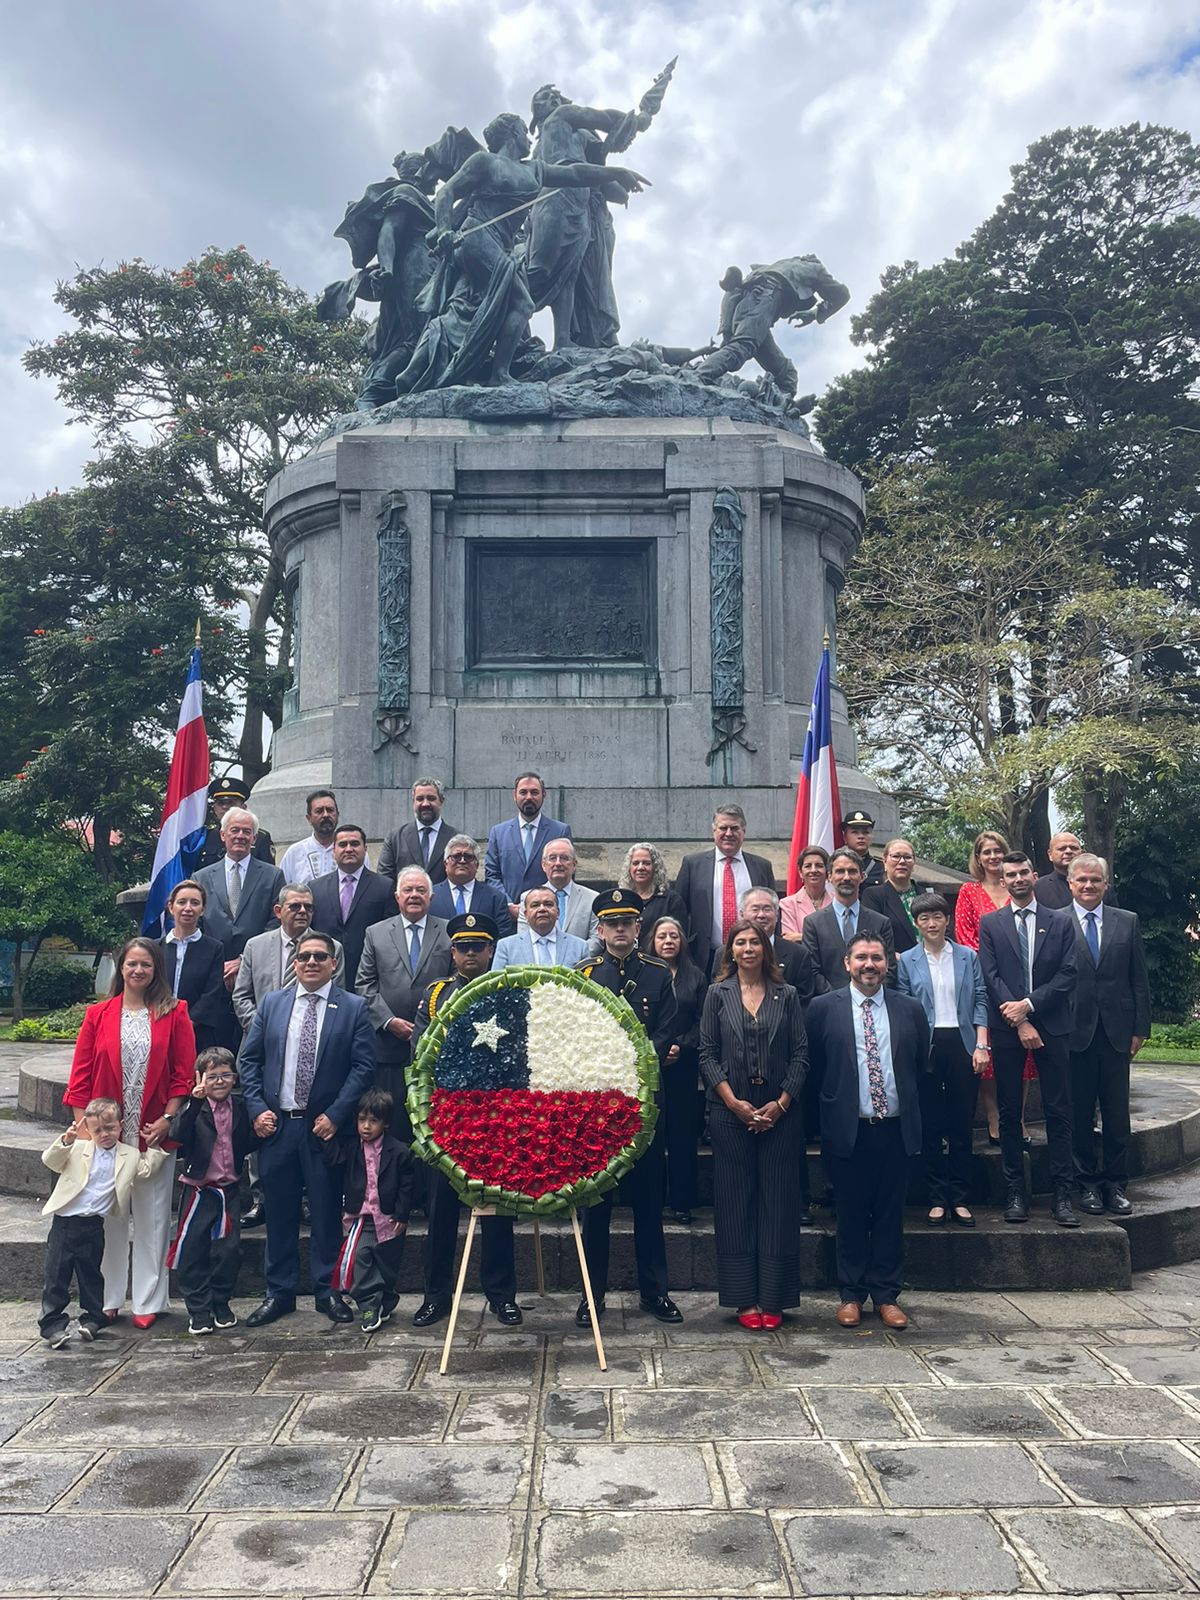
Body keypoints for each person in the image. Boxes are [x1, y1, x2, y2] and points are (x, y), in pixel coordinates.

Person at [394, 112, 647, 392]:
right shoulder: (485, 162)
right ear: (512, 133)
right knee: (522, 303)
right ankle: (499, 374)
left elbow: (575, 173)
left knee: (466, 311)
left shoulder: (535, 170)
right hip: (476, 237)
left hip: (498, 245)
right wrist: (443, 230)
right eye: (524, 132)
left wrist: (618, 173)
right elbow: (446, 194)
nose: (530, 139)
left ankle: (414, 371)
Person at [238, 930, 378, 1327]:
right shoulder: (273, 1004)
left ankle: (327, 1290)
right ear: (293, 963)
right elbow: (248, 1061)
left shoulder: (352, 1007)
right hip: (277, 1127)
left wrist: (336, 1113)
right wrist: (255, 1108)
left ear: (334, 963)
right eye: (304, 957)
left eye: (320, 957)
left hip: (324, 1131)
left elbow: (363, 1066)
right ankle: (278, 1293)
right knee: (279, 1213)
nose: (312, 963)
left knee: (325, 1212)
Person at [64, 938, 195, 1327]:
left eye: (146, 965)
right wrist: (87, 1131)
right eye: (131, 964)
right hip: (108, 1137)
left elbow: (182, 1075)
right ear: (121, 968)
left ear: (157, 970)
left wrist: (168, 1119)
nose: (138, 971)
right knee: (111, 1217)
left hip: (153, 1134)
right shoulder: (98, 1014)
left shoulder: (175, 1012)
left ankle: (149, 1300)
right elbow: (80, 1077)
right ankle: (108, 1296)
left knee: (153, 1217)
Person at [807, 933, 929, 1330]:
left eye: (876, 957)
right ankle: (851, 1294)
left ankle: (887, 1295)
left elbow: (919, 1065)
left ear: (887, 964)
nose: (869, 965)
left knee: (891, 1214)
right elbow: (815, 1066)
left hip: (895, 1128)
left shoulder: (910, 1009)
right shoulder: (823, 1008)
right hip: (848, 1128)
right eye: (861, 957)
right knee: (851, 1213)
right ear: (847, 963)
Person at [575, 890, 682, 1326]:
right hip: (597, 1109)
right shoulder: (583, 974)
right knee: (595, 1208)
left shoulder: (658, 974)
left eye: (628, 922)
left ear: (640, 928)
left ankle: (654, 1293)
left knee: (648, 1205)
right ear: (599, 929)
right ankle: (590, 1296)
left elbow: (667, 1028)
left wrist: (634, 1063)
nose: (620, 929)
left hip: (642, 1109)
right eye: (611, 922)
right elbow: (575, 1033)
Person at [410, 912, 521, 1328]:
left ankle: (502, 1293)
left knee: (497, 1209)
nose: (470, 954)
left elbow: (520, 1054)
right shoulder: (436, 995)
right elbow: (421, 1049)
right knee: (439, 1212)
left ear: (492, 950)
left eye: (478, 947)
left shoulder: (508, 994)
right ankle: (435, 1295)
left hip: (495, 1118)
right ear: (452, 952)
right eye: (463, 947)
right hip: (448, 1118)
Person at [699, 918, 808, 1330]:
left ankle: (774, 1297)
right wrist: (734, 1103)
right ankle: (744, 1299)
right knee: (735, 1204)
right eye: (740, 943)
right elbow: (707, 1054)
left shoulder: (787, 994)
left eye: (755, 942)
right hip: (729, 1115)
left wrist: (780, 1105)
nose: (748, 949)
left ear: (766, 949)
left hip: (781, 1116)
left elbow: (801, 1054)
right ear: (730, 951)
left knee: (778, 1204)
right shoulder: (716, 994)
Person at [978, 853, 1078, 1227]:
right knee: (1008, 1112)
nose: (1018, 879)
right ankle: (1015, 1192)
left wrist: (1030, 1006)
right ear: (1002, 881)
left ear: (1034, 876)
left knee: (1058, 1110)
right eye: (1010, 874)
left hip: (1053, 1024)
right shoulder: (991, 924)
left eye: (1023, 872)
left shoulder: (1061, 922)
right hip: (1006, 1028)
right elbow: (990, 975)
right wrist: (1018, 1018)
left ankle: (1062, 1195)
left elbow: (1069, 973)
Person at [38, 1098, 166, 1348]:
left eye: (110, 1128)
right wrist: (65, 1142)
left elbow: (145, 1170)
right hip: (65, 1222)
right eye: (97, 1130)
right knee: (56, 1277)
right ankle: (52, 1325)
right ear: (89, 1130)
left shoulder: (128, 1154)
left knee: (92, 1275)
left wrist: (154, 1148)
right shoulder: (78, 1148)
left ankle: (94, 1319)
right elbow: (50, 1161)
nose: (104, 1134)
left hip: (94, 1225)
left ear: (120, 1126)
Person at [897, 893, 989, 1227]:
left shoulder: (968, 956)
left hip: (963, 1043)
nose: (931, 924)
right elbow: (906, 1006)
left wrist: (982, 1045)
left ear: (947, 919)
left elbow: (981, 998)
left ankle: (960, 1198)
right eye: (924, 918)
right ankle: (937, 1198)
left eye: (937, 916)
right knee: (931, 1126)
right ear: (916, 923)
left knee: (962, 1125)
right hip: (927, 1046)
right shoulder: (907, 960)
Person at [1067, 853, 1151, 1217]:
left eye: (1095, 880)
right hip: (1074, 1034)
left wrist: (1140, 1029)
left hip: (1117, 1034)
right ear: (1071, 884)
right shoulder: (1055, 923)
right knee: (1079, 1114)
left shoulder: (1127, 922)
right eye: (1081, 880)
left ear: (1105, 884)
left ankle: (1116, 1185)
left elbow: (1139, 981)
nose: (1088, 886)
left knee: (1117, 1117)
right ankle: (1085, 1185)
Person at [740, 885, 830, 1225]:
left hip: (785, 1060)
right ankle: (751, 1204)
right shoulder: (729, 952)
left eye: (767, 909)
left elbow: (805, 1003)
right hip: (741, 1062)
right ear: (743, 915)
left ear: (777, 916)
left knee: (790, 1136)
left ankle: (798, 1201)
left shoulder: (796, 954)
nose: (761, 915)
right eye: (755, 910)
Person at [166, 1047, 258, 1336]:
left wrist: (263, 1130)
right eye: (212, 1076)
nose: (219, 1082)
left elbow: (248, 1141)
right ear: (201, 1079)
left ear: (234, 1078)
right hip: (199, 1191)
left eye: (225, 1075)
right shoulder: (195, 1108)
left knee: (229, 1250)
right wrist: (193, 1103)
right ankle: (198, 1308)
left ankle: (221, 1301)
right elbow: (177, 1135)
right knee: (193, 1250)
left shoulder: (240, 1107)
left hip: (228, 1189)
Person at [356, 867, 453, 1104]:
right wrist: (389, 1022)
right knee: (393, 1115)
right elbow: (364, 984)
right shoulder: (375, 933)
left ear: (431, 897)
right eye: (407, 890)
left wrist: (434, 1024)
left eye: (421, 890)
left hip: (435, 1042)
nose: (414, 895)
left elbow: (455, 982)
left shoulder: (449, 931)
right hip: (388, 1044)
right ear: (397, 897)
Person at [324, 1088, 416, 1332]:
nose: (366, 1127)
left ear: (385, 1123)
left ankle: (385, 1298)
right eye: (362, 1120)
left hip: (388, 1217)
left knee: (386, 1263)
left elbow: (407, 1187)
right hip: (361, 1216)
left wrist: (402, 1213)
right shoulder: (352, 1148)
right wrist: (326, 1137)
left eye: (373, 1121)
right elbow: (335, 1161)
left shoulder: (400, 1152)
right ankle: (368, 1305)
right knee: (361, 1258)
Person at [194, 808, 286, 1049]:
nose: (241, 836)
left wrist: (244, 960)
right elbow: (197, 924)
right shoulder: (201, 877)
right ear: (223, 835)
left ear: (254, 839)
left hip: (257, 973)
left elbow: (277, 921)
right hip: (214, 976)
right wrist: (218, 963)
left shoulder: (273, 876)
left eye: (247, 832)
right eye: (234, 830)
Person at [695, 255, 849, 394]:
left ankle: (775, 406)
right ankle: (697, 377)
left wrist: (727, 329)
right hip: (765, 297)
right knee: (742, 347)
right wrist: (815, 313)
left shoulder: (771, 267)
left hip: (748, 305)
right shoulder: (815, 268)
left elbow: (732, 293)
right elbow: (842, 295)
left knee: (786, 374)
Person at [650, 915, 707, 1225]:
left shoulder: (695, 976)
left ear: (682, 941)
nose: (668, 941)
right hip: (652, 1063)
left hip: (684, 1063)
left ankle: (682, 1202)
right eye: (662, 936)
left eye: (674, 935)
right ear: (653, 942)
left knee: (682, 1134)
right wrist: (660, 1048)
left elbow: (703, 1019)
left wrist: (681, 1046)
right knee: (654, 1131)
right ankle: (654, 1198)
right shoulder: (646, 974)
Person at [673, 804, 776, 976]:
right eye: (723, 828)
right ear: (714, 831)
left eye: (735, 828)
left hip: (753, 956)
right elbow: (679, 912)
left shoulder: (761, 866)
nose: (729, 833)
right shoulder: (693, 865)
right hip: (704, 958)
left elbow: (772, 911)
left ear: (744, 831)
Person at [233, 884, 347, 1033]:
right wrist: (261, 1027)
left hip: (311, 1037)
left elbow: (335, 997)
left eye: (308, 907)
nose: (302, 911)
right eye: (295, 906)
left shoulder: (331, 948)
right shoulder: (255, 946)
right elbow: (241, 996)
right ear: (278, 911)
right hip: (260, 1038)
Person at [310, 825, 396, 990]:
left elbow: (390, 935)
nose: (349, 849)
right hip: (325, 977)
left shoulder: (384, 887)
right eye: (343, 845)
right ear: (333, 850)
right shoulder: (316, 888)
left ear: (365, 848)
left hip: (369, 977)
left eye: (354, 844)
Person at [484, 772, 573, 924]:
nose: (529, 797)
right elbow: (492, 875)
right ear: (514, 795)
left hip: (547, 917)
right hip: (508, 918)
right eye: (523, 792)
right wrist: (509, 905)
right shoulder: (498, 833)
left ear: (544, 795)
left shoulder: (560, 831)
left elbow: (565, 873)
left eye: (534, 792)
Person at [801, 848, 896, 989]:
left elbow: (889, 970)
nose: (846, 877)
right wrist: (839, 1000)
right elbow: (812, 970)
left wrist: (867, 1000)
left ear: (862, 876)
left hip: (872, 1005)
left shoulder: (881, 922)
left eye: (852, 871)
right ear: (829, 877)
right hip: (830, 1005)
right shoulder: (813, 923)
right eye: (840, 871)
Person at [158, 878, 226, 1051]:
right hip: (157, 1028)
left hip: (197, 1034)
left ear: (202, 910)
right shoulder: (154, 948)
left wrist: (186, 1023)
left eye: (195, 903)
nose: (188, 908)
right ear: (171, 907)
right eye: (182, 902)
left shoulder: (214, 948)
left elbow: (212, 992)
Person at [429, 834, 515, 935]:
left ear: (477, 865)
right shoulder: (430, 897)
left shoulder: (495, 898)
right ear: (445, 863)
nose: (462, 861)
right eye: (456, 856)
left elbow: (503, 938)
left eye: (468, 857)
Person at [377, 777, 455, 887]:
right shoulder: (395, 838)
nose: (425, 804)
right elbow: (384, 881)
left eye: (431, 798)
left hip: (443, 903)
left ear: (441, 800)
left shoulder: (456, 838)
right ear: (413, 802)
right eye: (420, 799)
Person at [519, 839, 598, 944]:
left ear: (574, 865)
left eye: (564, 858)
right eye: (552, 858)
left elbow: (597, 939)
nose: (558, 863)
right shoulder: (527, 897)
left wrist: (574, 957)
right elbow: (523, 939)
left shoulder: (592, 898)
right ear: (544, 865)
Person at [278, 790, 363, 885]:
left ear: (338, 815)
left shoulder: (355, 851)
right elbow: (283, 892)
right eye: (319, 811)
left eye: (330, 810)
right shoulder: (294, 852)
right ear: (309, 818)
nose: (326, 815)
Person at [495, 887, 589, 969]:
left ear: (558, 913)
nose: (542, 909)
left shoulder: (580, 947)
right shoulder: (506, 947)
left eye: (548, 904)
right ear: (526, 915)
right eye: (535, 905)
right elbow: (496, 986)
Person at [619, 842, 690, 950]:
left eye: (646, 863)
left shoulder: (671, 901)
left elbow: (678, 939)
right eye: (635, 863)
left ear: (655, 868)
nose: (640, 867)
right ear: (629, 868)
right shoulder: (621, 900)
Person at [196, 775, 275, 868]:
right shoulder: (206, 838)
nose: (225, 807)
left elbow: (268, 875)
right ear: (214, 808)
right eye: (221, 803)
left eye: (231, 803)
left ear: (243, 807)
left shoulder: (260, 838)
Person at [863, 839, 923, 955]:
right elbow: (872, 938)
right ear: (884, 862)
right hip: (894, 966)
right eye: (896, 856)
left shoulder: (926, 894)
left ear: (914, 862)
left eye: (907, 857)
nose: (902, 862)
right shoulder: (873, 896)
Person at [1036, 832, 1119, 910]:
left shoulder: (1101, 887)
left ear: (1081, 853)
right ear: (1050, 854)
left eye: (1074, 848)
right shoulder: (1038, 888)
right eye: (1062, 848)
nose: (1068, 851)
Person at [779, 846, 833, 938]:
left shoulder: (837, 901)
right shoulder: (788, 904)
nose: (813, 870)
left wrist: (800, 936)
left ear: (827, 871)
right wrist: (827, 938)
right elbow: (789, 939)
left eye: (819, 866)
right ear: (800, 872)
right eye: (808, 866)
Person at [841, 810, 883, 889]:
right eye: (855, 832)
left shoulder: (881, 867)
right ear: (845, 837)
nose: (861, 836)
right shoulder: (836, 865)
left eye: (865, 832)